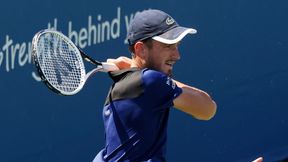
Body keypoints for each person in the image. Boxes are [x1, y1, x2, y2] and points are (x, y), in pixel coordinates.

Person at [93, 9, 217, 162]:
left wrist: (137, 70)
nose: (177, 55)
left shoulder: (117, 91)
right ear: (141, 49)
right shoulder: (151, 81)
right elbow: (207, 108)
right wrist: (141, 72)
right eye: (168, 45)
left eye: (177, 45)